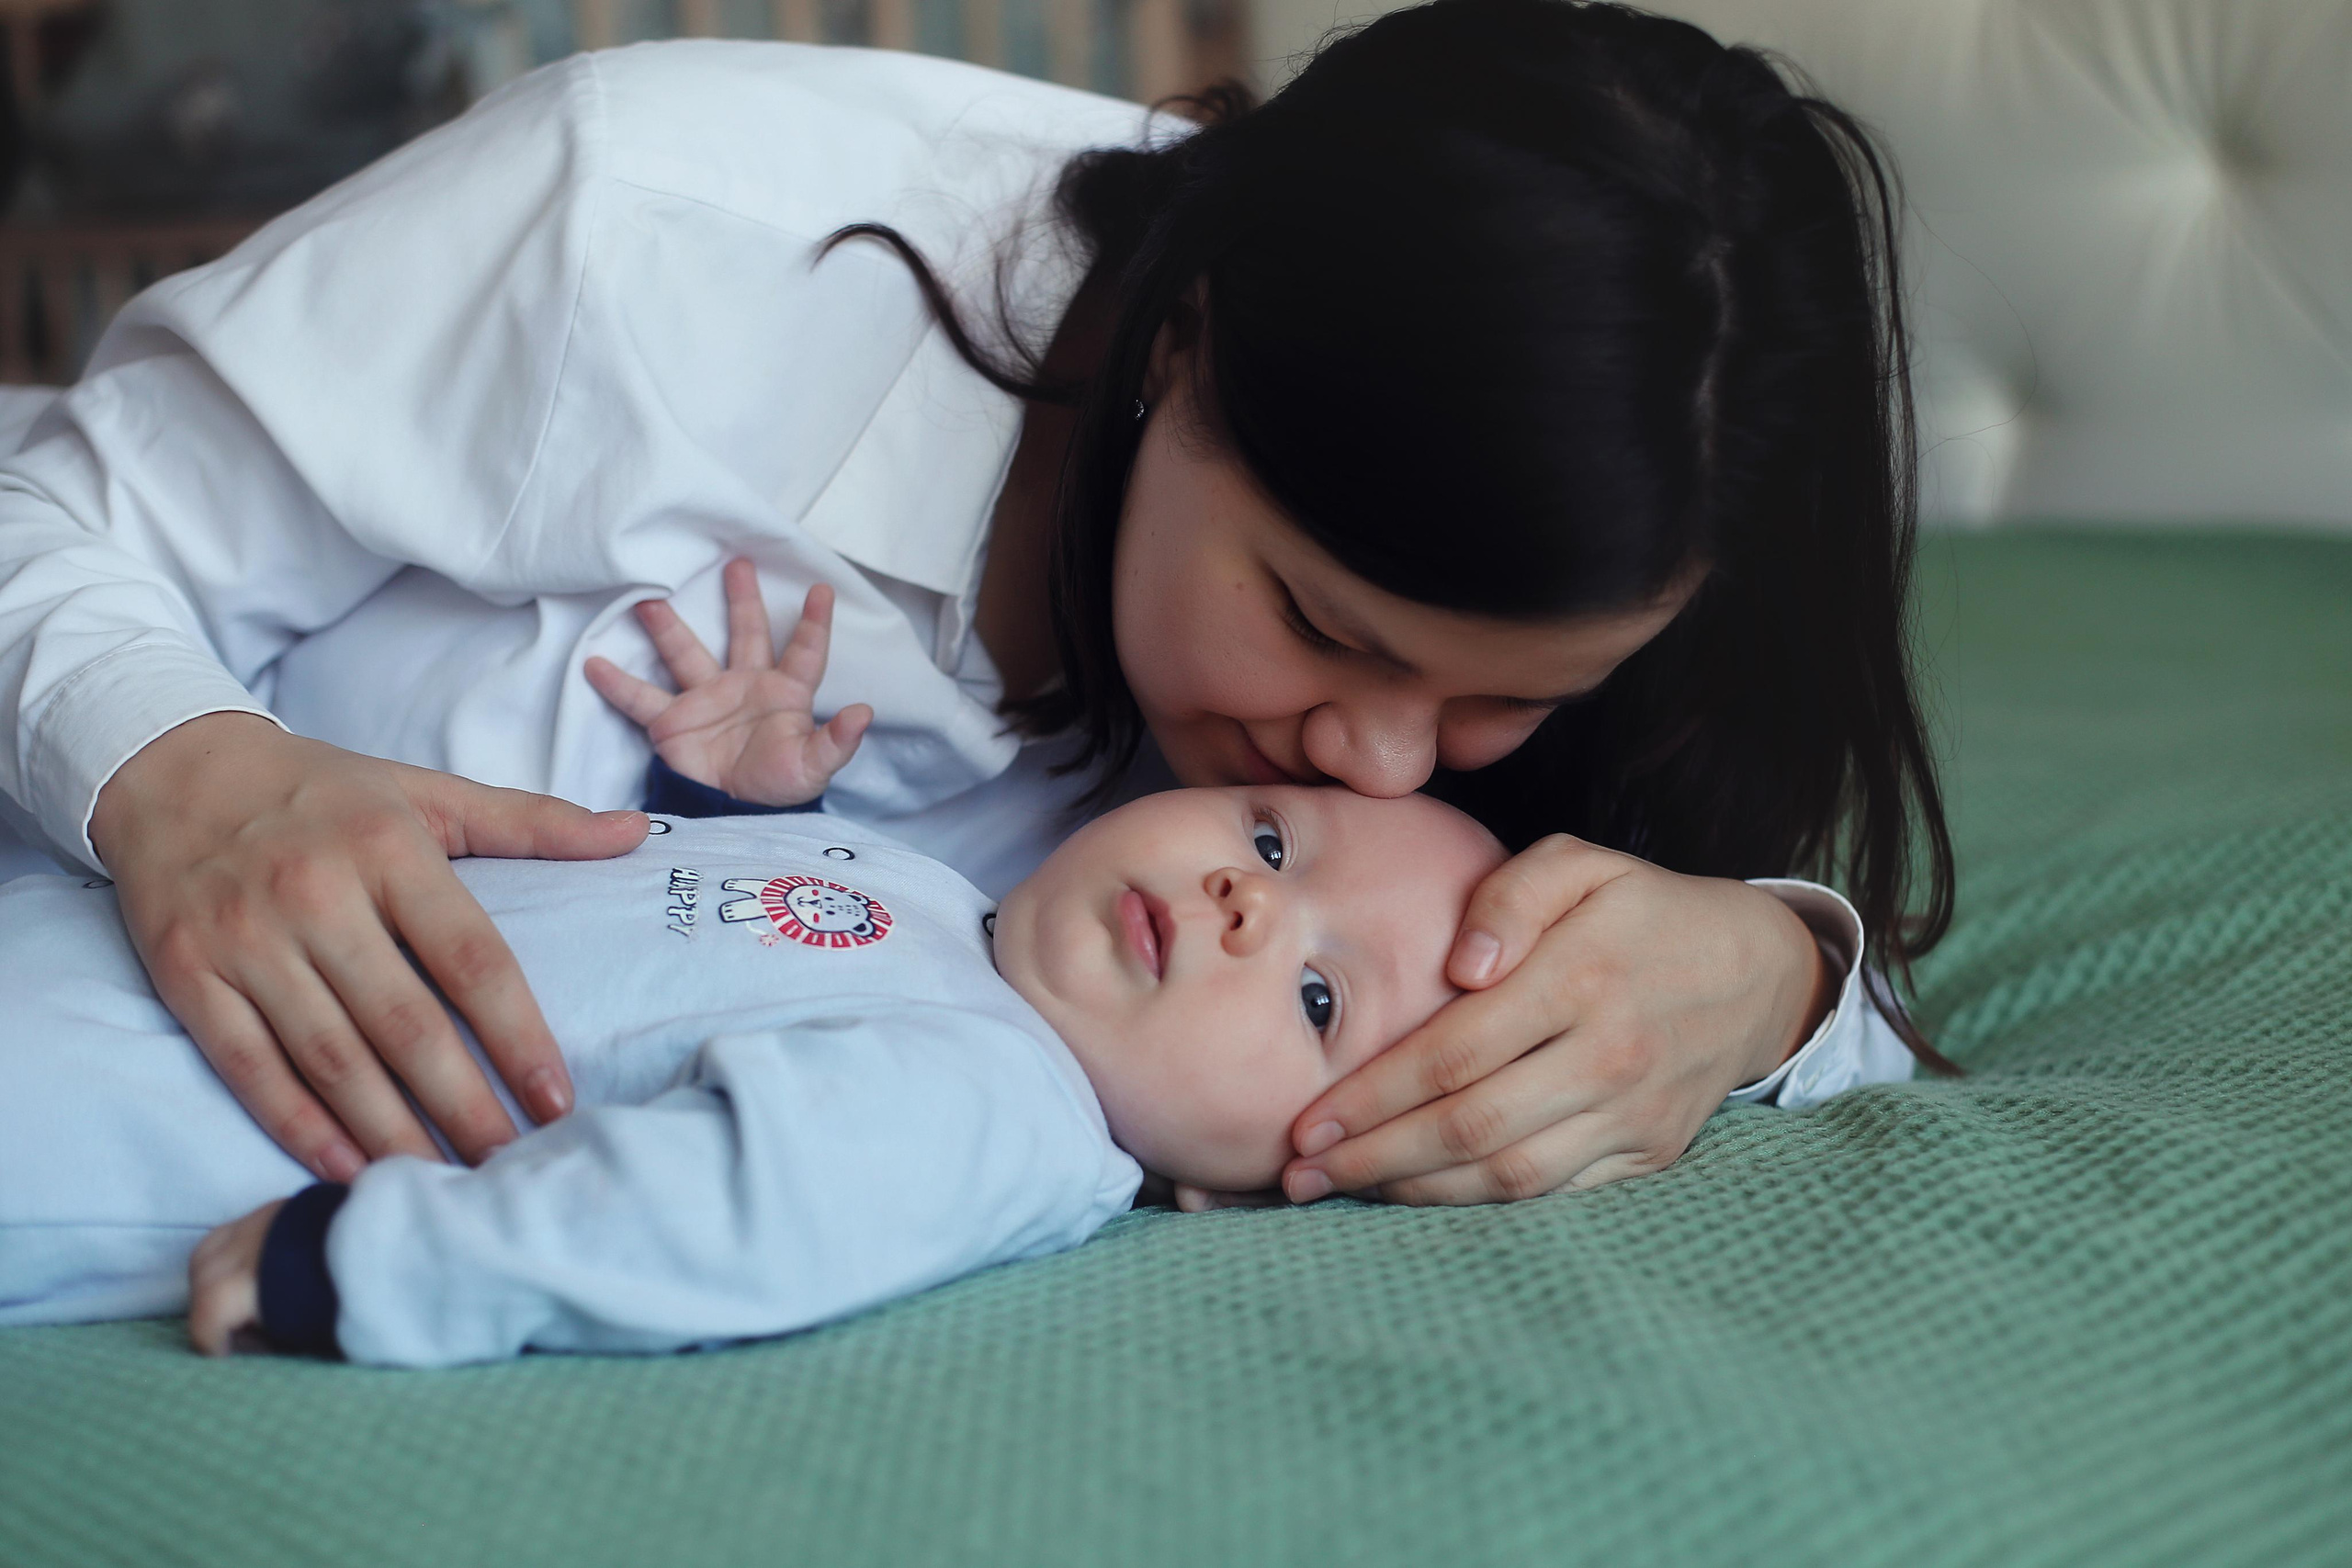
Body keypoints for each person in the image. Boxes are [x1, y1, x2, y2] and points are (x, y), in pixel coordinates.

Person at [0, 0, 1952, 1213]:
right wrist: (186, 769)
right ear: (1181, 344)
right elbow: (55, 511)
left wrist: (1757, 974)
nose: (1367, 763)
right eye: (1322, 621)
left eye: (1492, 707)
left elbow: (1757, 944)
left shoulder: (1617, 525)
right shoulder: (650, 237)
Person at [0, 592, 1511, 1368]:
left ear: (1242, 1192)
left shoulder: (1009, 1111)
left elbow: (731, 1206)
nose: (1251, 904)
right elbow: (700, 972)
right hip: (117, 916)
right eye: (1272, 839)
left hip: (106, 1112)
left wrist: (387, 1269)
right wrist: (728, 803)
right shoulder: (944, 904)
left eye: (1320, 1001)